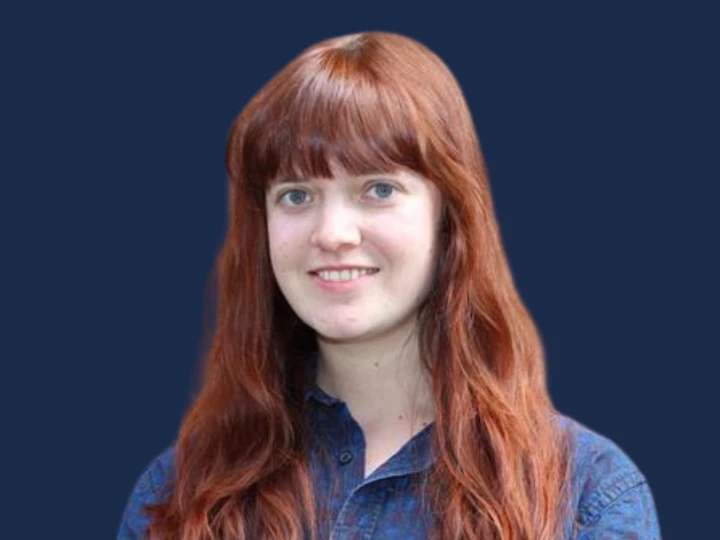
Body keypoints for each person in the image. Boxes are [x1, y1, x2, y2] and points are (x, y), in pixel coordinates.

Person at [117, 31, 660, 539]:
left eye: (378, 189)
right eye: (296, 195)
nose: (332, 233)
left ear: (450, 216)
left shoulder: (586, 495)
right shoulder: (176, 494)